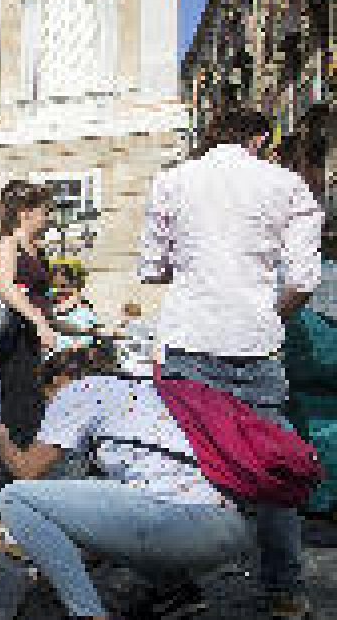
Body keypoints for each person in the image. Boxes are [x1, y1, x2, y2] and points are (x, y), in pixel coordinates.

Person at [140, 108, 323, 620]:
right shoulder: (287, 186)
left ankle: (176, 584)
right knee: (272, 464)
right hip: (254, 339)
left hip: (189, 337)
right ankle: (284, 591)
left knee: (175, 460)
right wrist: (269, 313)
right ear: (261, 139)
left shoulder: (172, 181)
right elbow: (304, 280)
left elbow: (153, 269)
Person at [0, 348, 253, 620]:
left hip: (180, 523)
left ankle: (88, 614)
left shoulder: (78, 391)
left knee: (15, 498)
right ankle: (175, 594)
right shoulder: (147, 391)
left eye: (47, 397)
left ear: (59, 380)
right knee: (140, 493)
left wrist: (1, 439)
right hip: (231, 527)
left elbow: (27, 471)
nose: (49, 406)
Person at [0, 181, 58, 494]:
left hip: (31, 338)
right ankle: (9, 492)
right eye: (44, 211)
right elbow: (5, 286)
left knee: (32, 413)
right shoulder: (8, 244)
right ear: (26, 213)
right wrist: (38, 320)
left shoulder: (35, 248)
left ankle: (25, 488)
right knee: (18, 414)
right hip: (15, 339)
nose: (48, 218)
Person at [49, 263, 99, 353]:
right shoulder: (49, 306)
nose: (59, 290)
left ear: (72, 284)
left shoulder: (83, 307)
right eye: (55, 287)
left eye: (63, 286)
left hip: (78, 355)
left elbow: (92, 334)